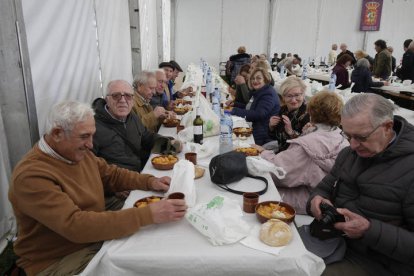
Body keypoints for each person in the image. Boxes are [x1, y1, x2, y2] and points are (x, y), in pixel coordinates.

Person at [8, 101, 187, 275]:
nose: (91, 144)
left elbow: (112, 174)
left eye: (92, 135)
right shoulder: (31, 176)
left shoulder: (76, 152)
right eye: (84, 136)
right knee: (146, 263)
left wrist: (149, 182)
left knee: (158, 240)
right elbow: (75, 226)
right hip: (58, 259)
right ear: (56, 134)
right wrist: (148, 214)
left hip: (90, 236)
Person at [306, 93, 414, 275]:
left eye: (361, 137)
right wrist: (316, 200)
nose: (353, 145)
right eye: (347, 136)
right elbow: (323, 189)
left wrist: (369, 230)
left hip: (379, 262)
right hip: (332, 240)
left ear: (387, 127)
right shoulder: (348, 155)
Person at [253, 91, 348, 214]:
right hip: (326, 199)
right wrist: (307, 133)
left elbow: (278, 173)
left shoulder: (307, 146)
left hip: (306, 201)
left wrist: (263, 152)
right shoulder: (342, 141)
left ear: (311, 113)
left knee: (255, 190)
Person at [231, 67, 280, 145]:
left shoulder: (268, 94)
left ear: (265, 80)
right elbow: (251, 108)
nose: (255, 81)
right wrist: (235, 105)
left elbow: (258, 114)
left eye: (258, 78)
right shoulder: (260, 91)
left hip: (263, 134)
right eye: (253, 78)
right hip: (257, 128)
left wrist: (234, 110)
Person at [268, 76, 310, 153]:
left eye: (297, 95)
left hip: (295, 158)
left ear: (303, 94)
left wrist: (291, 132)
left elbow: (307, 147)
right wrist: (271, 126)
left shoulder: (308, 115)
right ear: (283, 97)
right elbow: (276, 137)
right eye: (289, 96)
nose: (293, 100)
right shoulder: (284, 110)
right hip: (282, 152)